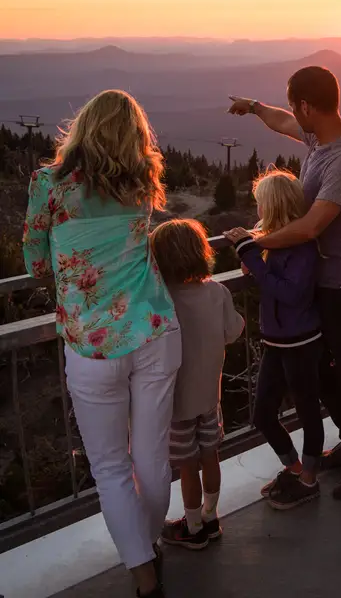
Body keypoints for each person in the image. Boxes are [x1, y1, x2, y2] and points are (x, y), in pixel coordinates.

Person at [22, 90, 178, 598]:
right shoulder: (141, 183)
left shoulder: (49, 185)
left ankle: (143, 574)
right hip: (154, 329)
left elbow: (38, 267)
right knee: (152, 459)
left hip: (91, 344)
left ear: (82, 127)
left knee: (111, 467)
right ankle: (148, 544)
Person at [227, 66, 341, 500]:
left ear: (307, 105)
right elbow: (283, 122)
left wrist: (254, 243)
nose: (293, 116)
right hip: (322, 284)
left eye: (295, 105)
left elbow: (311, 227)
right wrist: (255, 108)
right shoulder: (320, 138)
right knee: (323, 375)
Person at [224, 169, 325, 510]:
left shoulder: (303, 246)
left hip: (300, 341)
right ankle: (295, 469)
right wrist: (253, 260)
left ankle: (308, 480)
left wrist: (250, 255)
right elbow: (273, 284)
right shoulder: (277, 241)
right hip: (277, 340)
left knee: (308, 410)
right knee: (263, 414)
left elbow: (292, 294)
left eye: (261, 204)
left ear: (274, 204)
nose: (258, 212)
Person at [149, 219, 245, 549]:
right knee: (210, 456)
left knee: (187, 468)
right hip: (209, 399)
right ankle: (211, 517)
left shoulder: (162, 300)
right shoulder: (217, 292)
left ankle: (191, 530)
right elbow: (233, 331)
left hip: (177, 405)